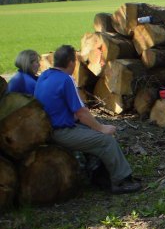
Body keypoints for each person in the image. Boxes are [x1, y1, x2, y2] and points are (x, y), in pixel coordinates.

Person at [34, 45, 141, 194]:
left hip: (48, 129)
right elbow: (81, 113)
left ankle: (99, 176)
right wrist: (102, 128)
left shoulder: (44, 76)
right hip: (60, 132)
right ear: (71, 62)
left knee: (93, 133)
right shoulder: (66, 79)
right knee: (106, 140)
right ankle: (120, 181)